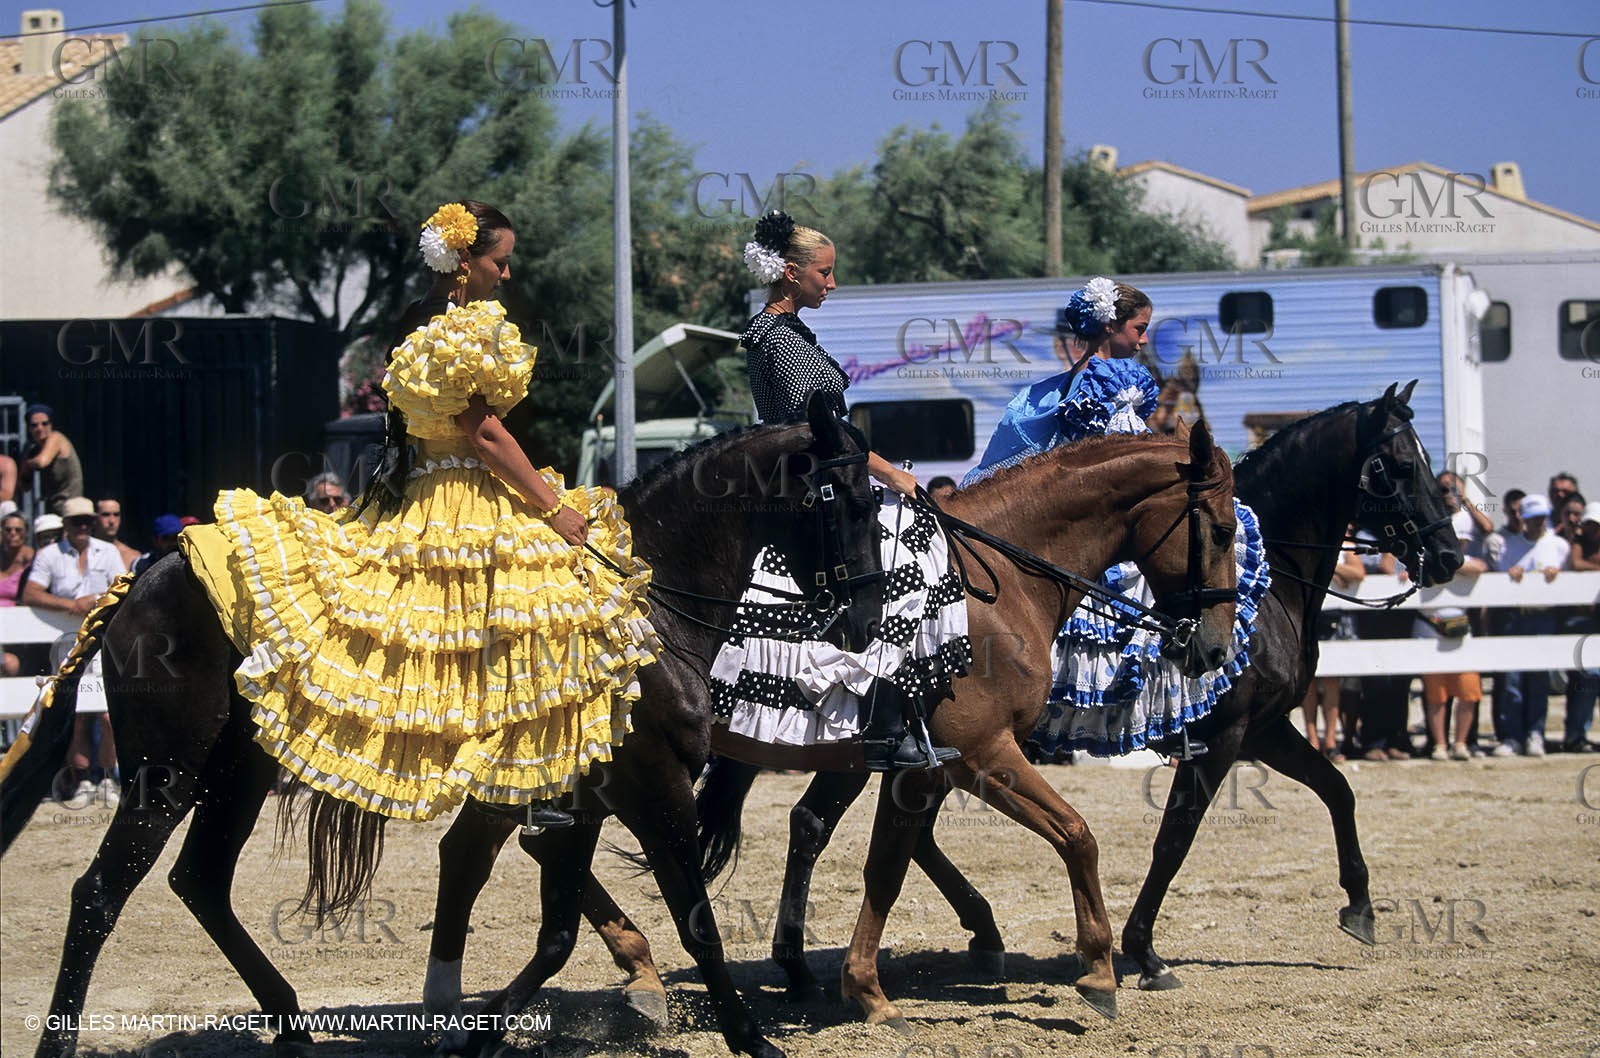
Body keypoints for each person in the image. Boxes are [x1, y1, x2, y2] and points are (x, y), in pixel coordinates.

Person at [190, 200, 658, 826]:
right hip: (464, 491)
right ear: (464, 262)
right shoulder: (460, 328)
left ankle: (507, 780)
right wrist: (550, 508)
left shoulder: (415, 317)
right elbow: (485, 434)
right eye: (500, 261)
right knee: (541, 612)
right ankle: (524, 785)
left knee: (462, 640)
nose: (507, 274)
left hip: (417, 486)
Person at [967, 277, 1270, 759]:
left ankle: (1182, 711)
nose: (1145, 339)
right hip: (1112, 515)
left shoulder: (1119, 377)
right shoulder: (1092, 381)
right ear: (1110, 326)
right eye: (1139, 328)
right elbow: (1091, 459)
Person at [712, 209, 965, 771]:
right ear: (790, 272)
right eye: (824, 272)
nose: (832, 282)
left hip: (828, 479)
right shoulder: (777, 339)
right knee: (902, 562)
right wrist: (889, 472)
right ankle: (884, 722)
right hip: (811, 485)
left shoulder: (788, 332)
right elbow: (816, 431)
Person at [21, 496, 126, 803]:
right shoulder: (49, 555)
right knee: (76, 714)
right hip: (66, 644)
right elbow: (30, 592)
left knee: (107, 714)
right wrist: (72, 605)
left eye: (86, 521)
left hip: (105, 643)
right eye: (76, 521)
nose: (82, 527)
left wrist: (95, 600)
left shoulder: (107, 551)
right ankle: (81, 779)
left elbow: (122, 585)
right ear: (65, 525)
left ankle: (107, 778)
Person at [1412, 472, 1490, 760]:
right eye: (1442, 489)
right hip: (1428, 622)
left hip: (1459, 621)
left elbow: (1477, 565)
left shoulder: (1466, 521)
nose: (1447, 494)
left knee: (1468, 688)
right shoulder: (1425, 523)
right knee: (1435, 692)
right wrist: (1453, 563)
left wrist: (1448, 562)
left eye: (1451, 489)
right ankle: (1440, 744)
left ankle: (1460, 743)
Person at [1490, 494, 1569, 756]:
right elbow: (1500, 579)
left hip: (1543, 616)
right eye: (1533, 518)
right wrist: (1510, 575)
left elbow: (1571, 576)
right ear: (1523, 519)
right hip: (1515, 615)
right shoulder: (1509, 545)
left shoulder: (1558, 545)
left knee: (1539, 678)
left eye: (1541, 518)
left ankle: (1536, 733)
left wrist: (1557, 577)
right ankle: (1512, 736)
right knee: (1512, 679)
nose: (1538, 523)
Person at [1300, 534, 1364, 761]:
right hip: (1310, 616)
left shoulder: (1348, 544)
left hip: (1335, 619)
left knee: (1332, 683)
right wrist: (1336, 572)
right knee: (1309, 683)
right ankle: (1311, 739)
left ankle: (1330, 739)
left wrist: (1331, 568)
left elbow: (1358, 574)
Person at [1558, 501, 1600, 752]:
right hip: (1579, 620)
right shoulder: (1578, 542)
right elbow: (1576, 565)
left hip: (1593, 618)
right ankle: (1575, 735)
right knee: (1587, 676)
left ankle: (1577, 734)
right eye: (1590, 525)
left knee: (1587, 679)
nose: (1593, 530)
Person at [21, 404, 86, 517]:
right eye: (34, 425)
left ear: (51, 424)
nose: (40, 428)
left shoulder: (56, 438)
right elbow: (24, 486)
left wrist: (27, 464)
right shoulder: (34, 451)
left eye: (44, 424)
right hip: (53, 508)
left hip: (71, 507)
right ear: (29, 428)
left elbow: (42, 462)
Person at [0, 511, 33, 677]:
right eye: (8, 529)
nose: (13, 533)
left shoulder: (33, 562)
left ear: (26, 533)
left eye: (18, 530)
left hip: (17, 630)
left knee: (10, 664)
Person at [92, 498, 141, 572]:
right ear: (95, 519)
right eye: (106, 515)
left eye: (116, 515)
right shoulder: (84, 552)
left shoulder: (133, 557)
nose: (112, 521)